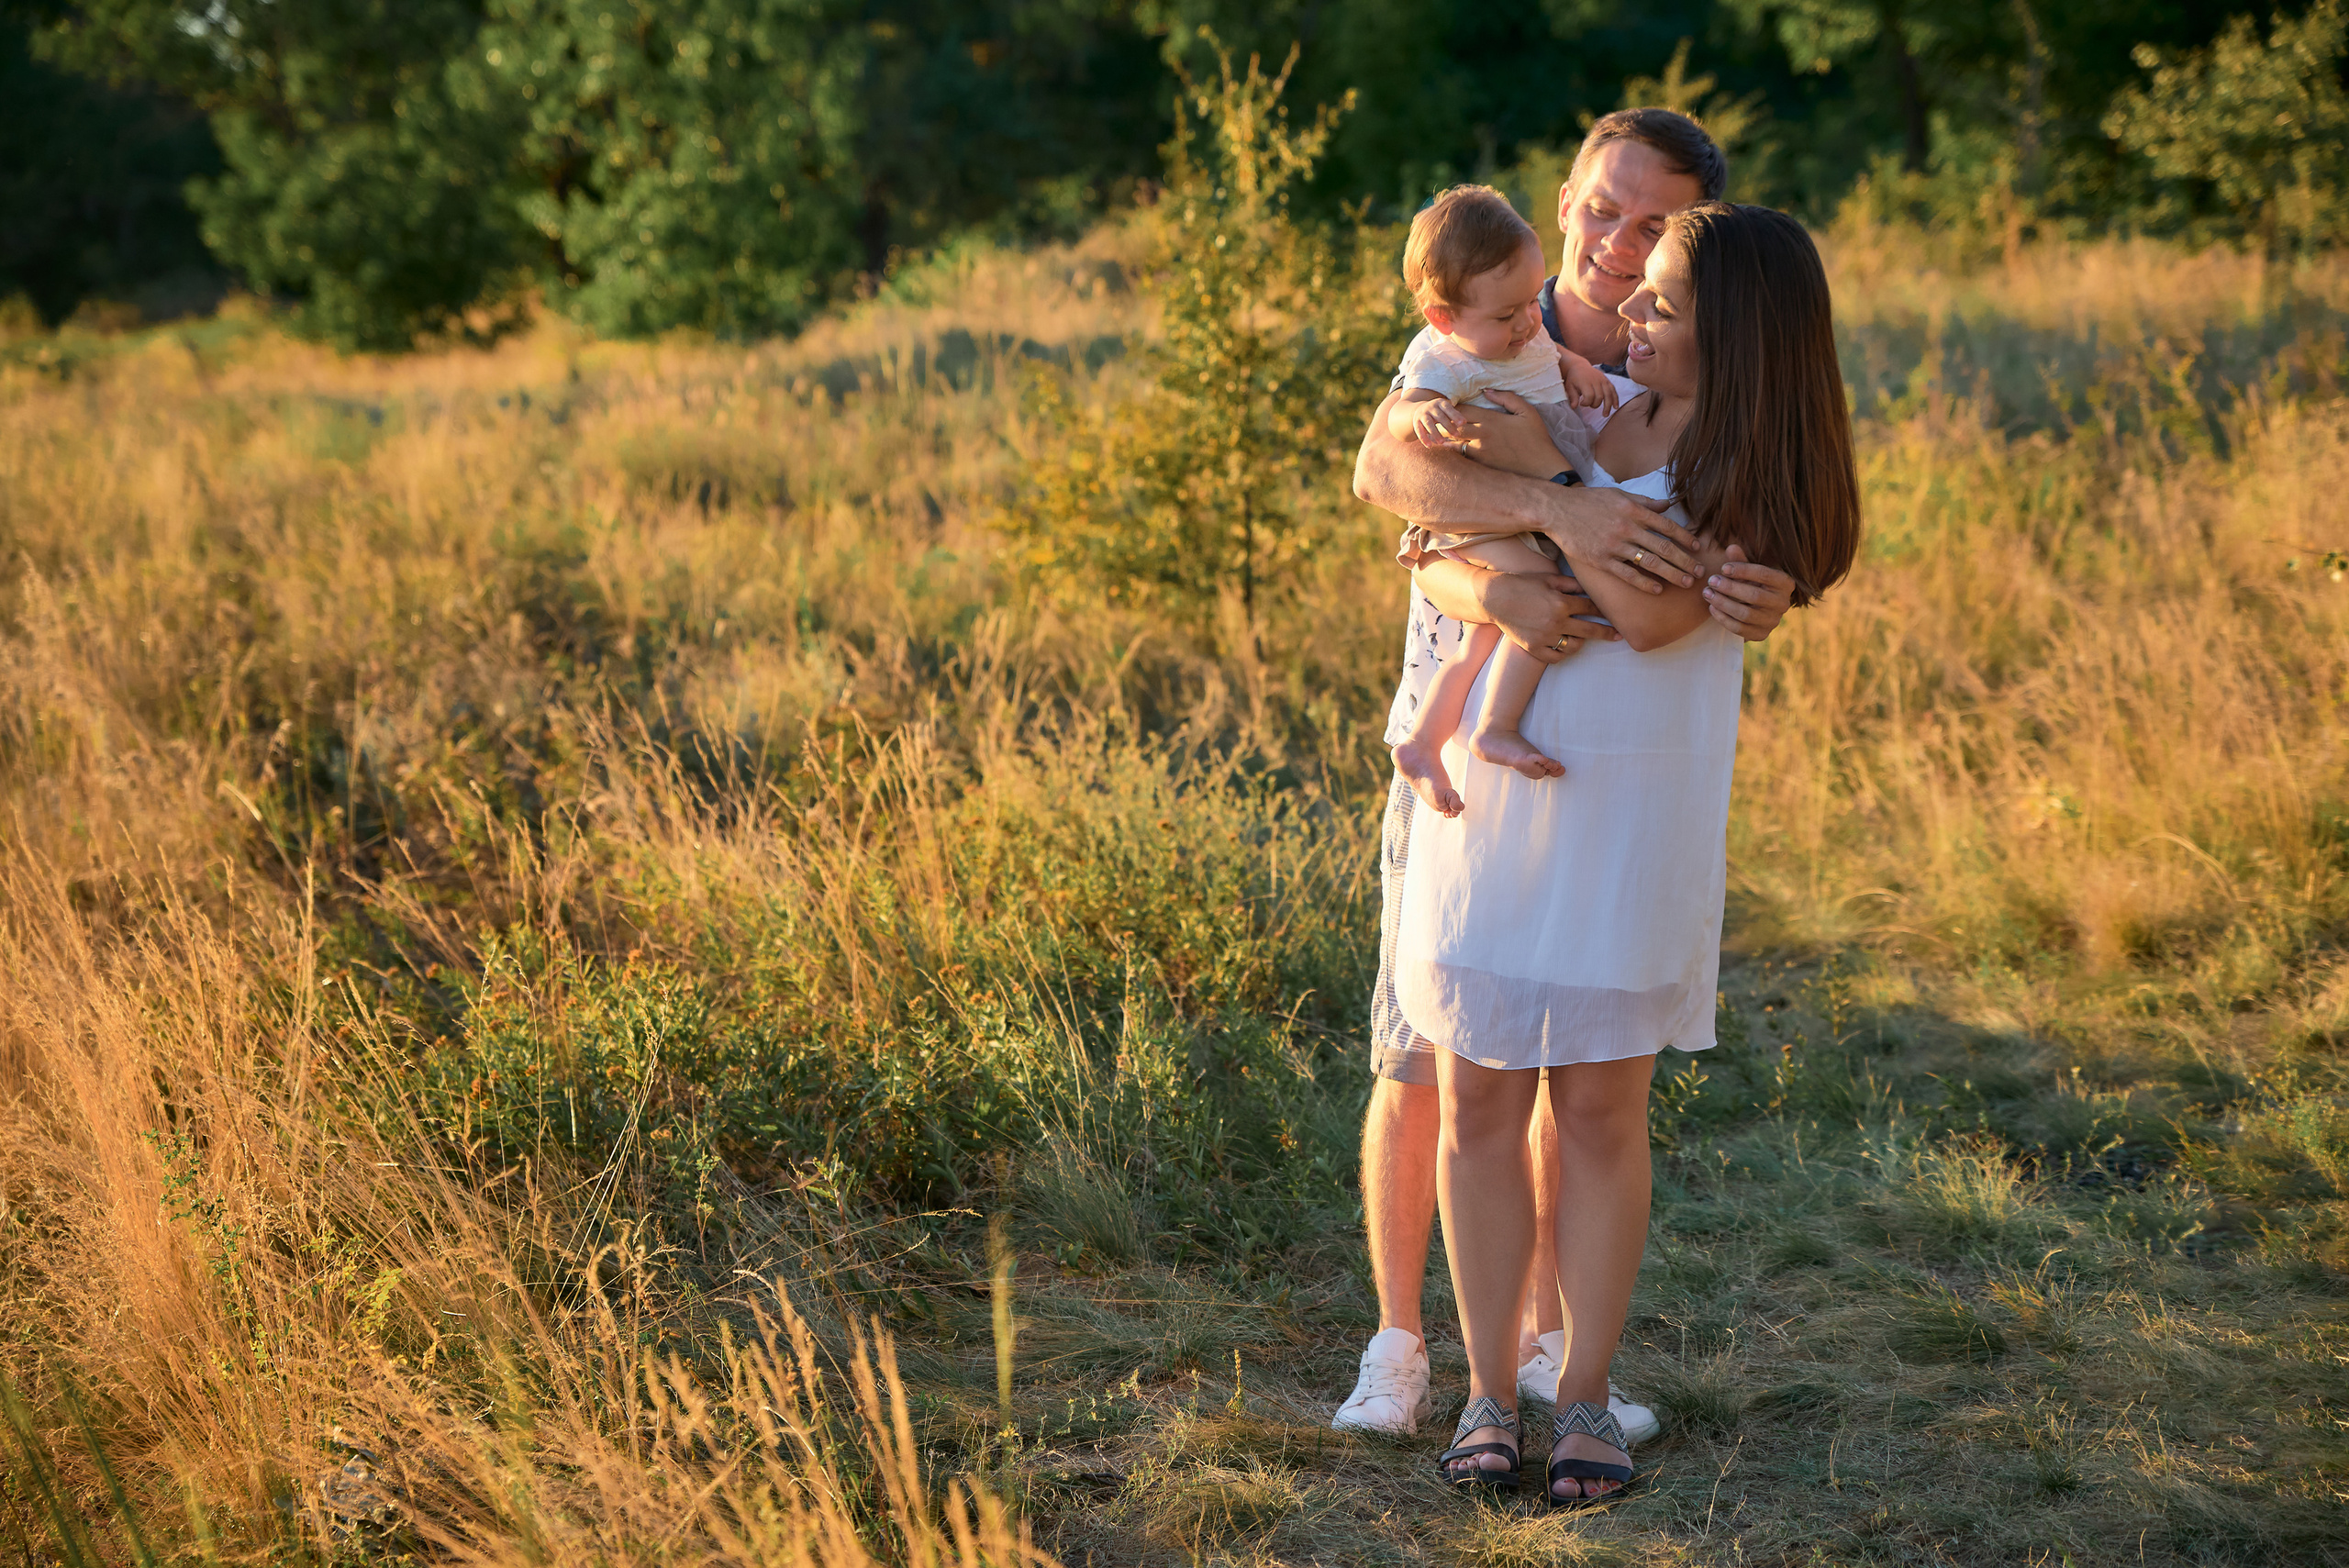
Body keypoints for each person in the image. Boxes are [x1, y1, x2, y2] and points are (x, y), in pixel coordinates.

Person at [1332, 108, 1798, 1441]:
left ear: (1692, 234)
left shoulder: (1685, 348)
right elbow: (1391, 477)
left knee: (1566, 1060)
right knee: (1425, 1056)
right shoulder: (1488, 306)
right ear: (1568, 197)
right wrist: (1553, 512)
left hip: (1585, 751)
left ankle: (1539, 1352)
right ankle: (1399, 1344)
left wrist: (1759, 587)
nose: (1612, 243)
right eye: (1600, 208)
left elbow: (1723, 541)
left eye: (1649, 225)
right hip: (1451, 724)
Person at [1411, 200, 1862, 1504]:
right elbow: (1429, 519)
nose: (1634, 308)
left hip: (1630, 804)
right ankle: (1491, 1390)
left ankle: (1589, 1391)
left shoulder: (1738, 454)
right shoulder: (1586, 398)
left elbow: (1656, 618)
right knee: (1482, 1100)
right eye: (1642, 290)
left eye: (1664, 296)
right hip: (1492, 799)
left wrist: (1548, 502)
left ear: (1741, 330)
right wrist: (1523, 522)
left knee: (1601, 1112)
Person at [1385, 184, 1618, 819]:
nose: (1526, 322)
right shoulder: (1446, 360)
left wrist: (1575, 367)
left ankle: (1425, 743)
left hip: (1524, 505)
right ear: (1444, 318)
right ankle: (1495, 727)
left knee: (1482, 638)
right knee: (1543, 593)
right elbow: (1397, 423)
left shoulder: (1517, 331)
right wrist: (1423, 413)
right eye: (1505, 315)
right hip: (1481, 517)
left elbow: (1543, 352)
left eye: (1528, 303)